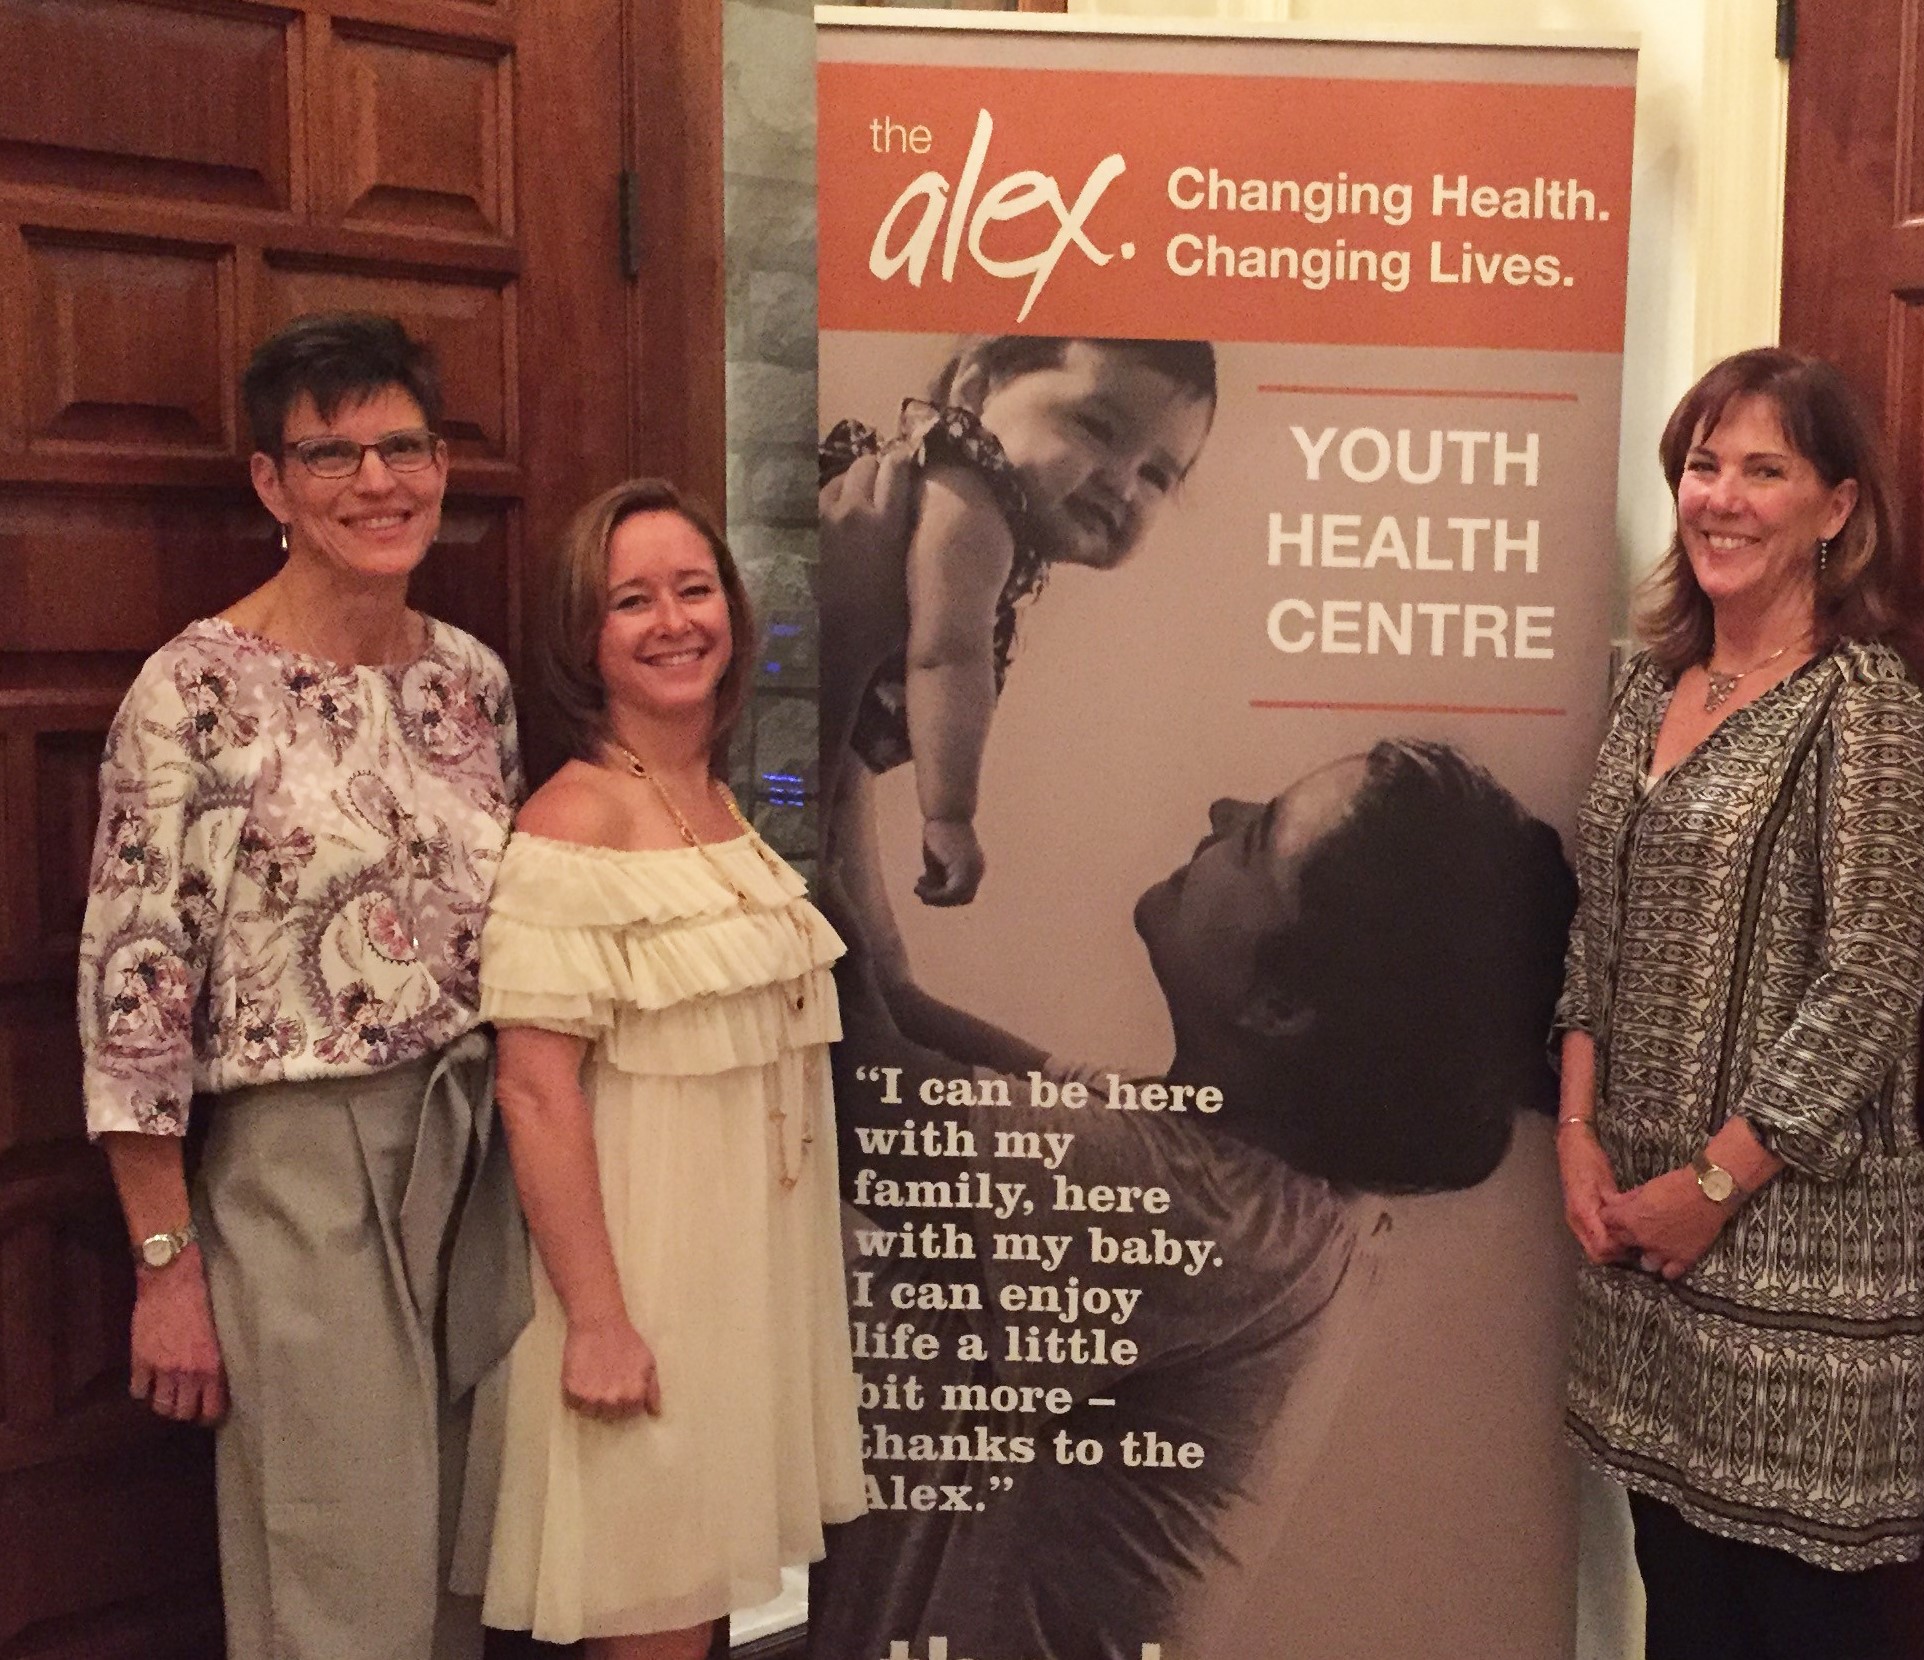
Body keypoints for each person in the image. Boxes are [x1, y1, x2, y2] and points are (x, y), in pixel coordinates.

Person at [817, 433, 1576, 1660]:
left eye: (1262, 834)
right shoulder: (1238, 1164)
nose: (1221, 809)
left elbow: (837, 1071)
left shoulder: (1182, 1200)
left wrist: (832, 644)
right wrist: (853, 735)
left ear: (1283, 1006)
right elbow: (886, 1001)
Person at [77, 312, 531, 1660]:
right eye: (334, 456)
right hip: (303, 1174)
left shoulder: (472, 683)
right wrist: (167, 1262)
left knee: (469, 1562)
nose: (380, 482)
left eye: (406, 446)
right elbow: (132, 992)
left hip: (476, 1150)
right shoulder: (196, 693)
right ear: (271, 484)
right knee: (342, 1574)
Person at [1553, 347, 1924, 1660]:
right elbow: (1593, 933)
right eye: (1702, 465)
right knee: (1684, 1621)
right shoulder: (1642, 689)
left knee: (1793, 1631)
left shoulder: (1866, 713)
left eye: (1761, 469)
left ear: (1834, 507)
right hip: (1644, 1261)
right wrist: (1577, 1134)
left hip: (1801, 1280)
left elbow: (1865, 994)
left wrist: (1710, 1187)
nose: (1719, 498)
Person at [465, 479, 863, 1657]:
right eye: (630, 600)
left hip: (736, 1292)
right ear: (584, 639)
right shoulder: (572, 822)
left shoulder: (714, 805)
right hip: (638, 1297)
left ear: (734, 611)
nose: (672, 620)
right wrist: (598, 1320)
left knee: (702, 1614)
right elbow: (533, 1090)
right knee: (654, 1623)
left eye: (693, 589)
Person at [820, 336, 1216, 908]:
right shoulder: (970, 495)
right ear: (976, 388)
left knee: (850, 931)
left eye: (1157, 474)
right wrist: (950, 816)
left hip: (825, 740)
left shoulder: (990, 519)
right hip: (776, 711)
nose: (1123, 483)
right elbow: (947, 654)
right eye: (1097, 428)